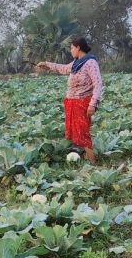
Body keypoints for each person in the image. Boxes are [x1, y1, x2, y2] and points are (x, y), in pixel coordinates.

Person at [36, 37, 102, 165]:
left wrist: (93, 104)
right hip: (72, 102)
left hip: (83, 102)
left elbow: (98, 84)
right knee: (77, 131)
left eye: (72, 48)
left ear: (78, 47)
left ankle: (93, 162)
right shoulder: (76, 63)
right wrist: (47, 64)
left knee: (83, 131)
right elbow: (63, 68)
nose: (70, 51)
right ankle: (85, 157)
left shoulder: (90, 62)